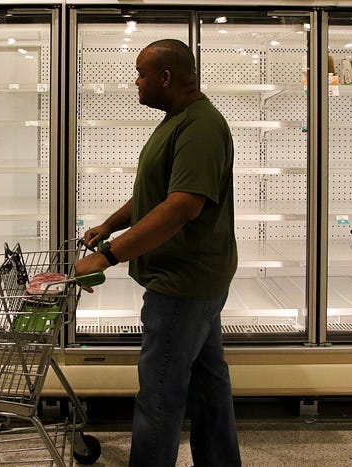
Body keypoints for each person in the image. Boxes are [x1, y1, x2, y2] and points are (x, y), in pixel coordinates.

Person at [73, 39, 241, 467]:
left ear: (166, 77)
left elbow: (182, 205)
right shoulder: (178, 119)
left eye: (142, 74)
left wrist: (108, 255)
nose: (137, 81)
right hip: (192, 279)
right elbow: (157, 194)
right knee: (208, 387)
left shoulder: (200, 126)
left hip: (182, 283)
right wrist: (110, 225)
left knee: (160, 395)